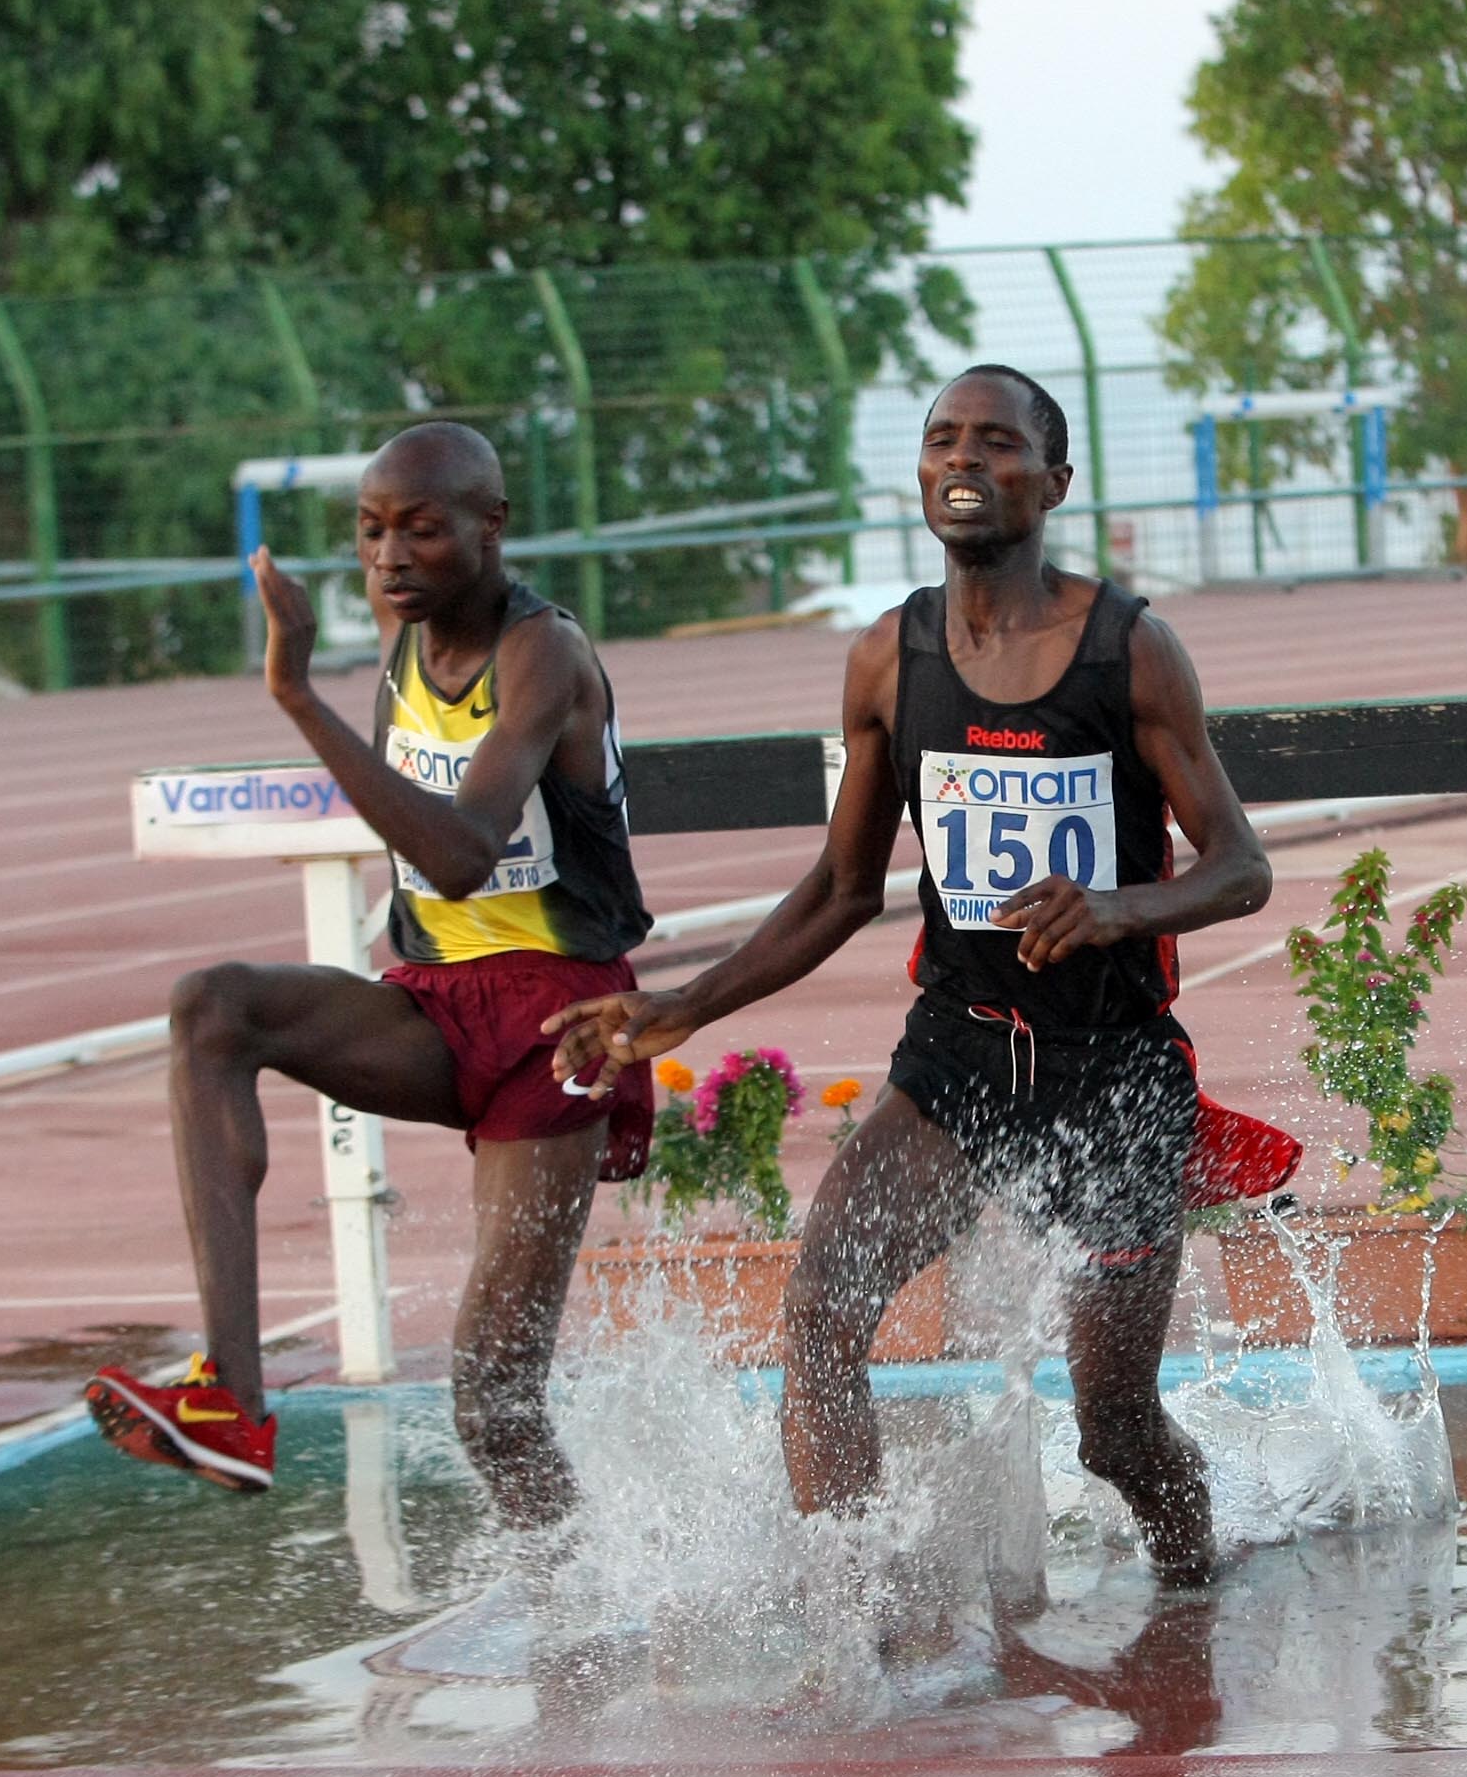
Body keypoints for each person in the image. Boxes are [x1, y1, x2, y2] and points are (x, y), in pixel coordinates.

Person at [545, 367, 1277, 1587]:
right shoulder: (891, 658)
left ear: (1053, 483)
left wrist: (1117, 908)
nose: (967, 459)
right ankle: (855, 1614)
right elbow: (841, 888)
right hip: (961, 1053)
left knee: (1114, 1430)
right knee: (823, 1314)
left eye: (999, 443)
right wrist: (681, 1004)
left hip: (1117, 1074)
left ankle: (1198, 1598)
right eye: (945, 438)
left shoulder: (1130, 651)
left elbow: (1242, 868)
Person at [85, 422, 655, 1510]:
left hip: (565, 1025)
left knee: (493, 1398)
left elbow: (455, 856)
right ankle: (231, 1402)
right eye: (370, 531)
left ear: (492, 527)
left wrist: (300, 698)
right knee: (212, 1007)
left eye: (423, 530)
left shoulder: (544, 654)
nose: (390, 557)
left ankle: (586, 1628)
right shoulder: (410, 646)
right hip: (441, 1005)